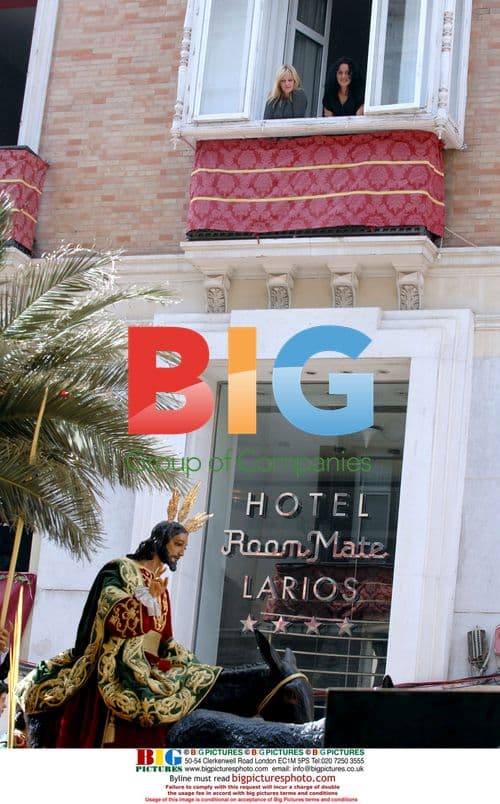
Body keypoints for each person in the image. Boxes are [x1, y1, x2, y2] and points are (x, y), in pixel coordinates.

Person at [16, 485, 222, 748]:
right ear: (160, 542)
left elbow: (164, 636)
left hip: (150, 663)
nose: (182, 551)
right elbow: (115, 614)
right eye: (178, 544)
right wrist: (146, 599)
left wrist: (181, 659)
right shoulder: (122, 570)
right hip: (117, 661)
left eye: (184, 546)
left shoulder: (161, 585)